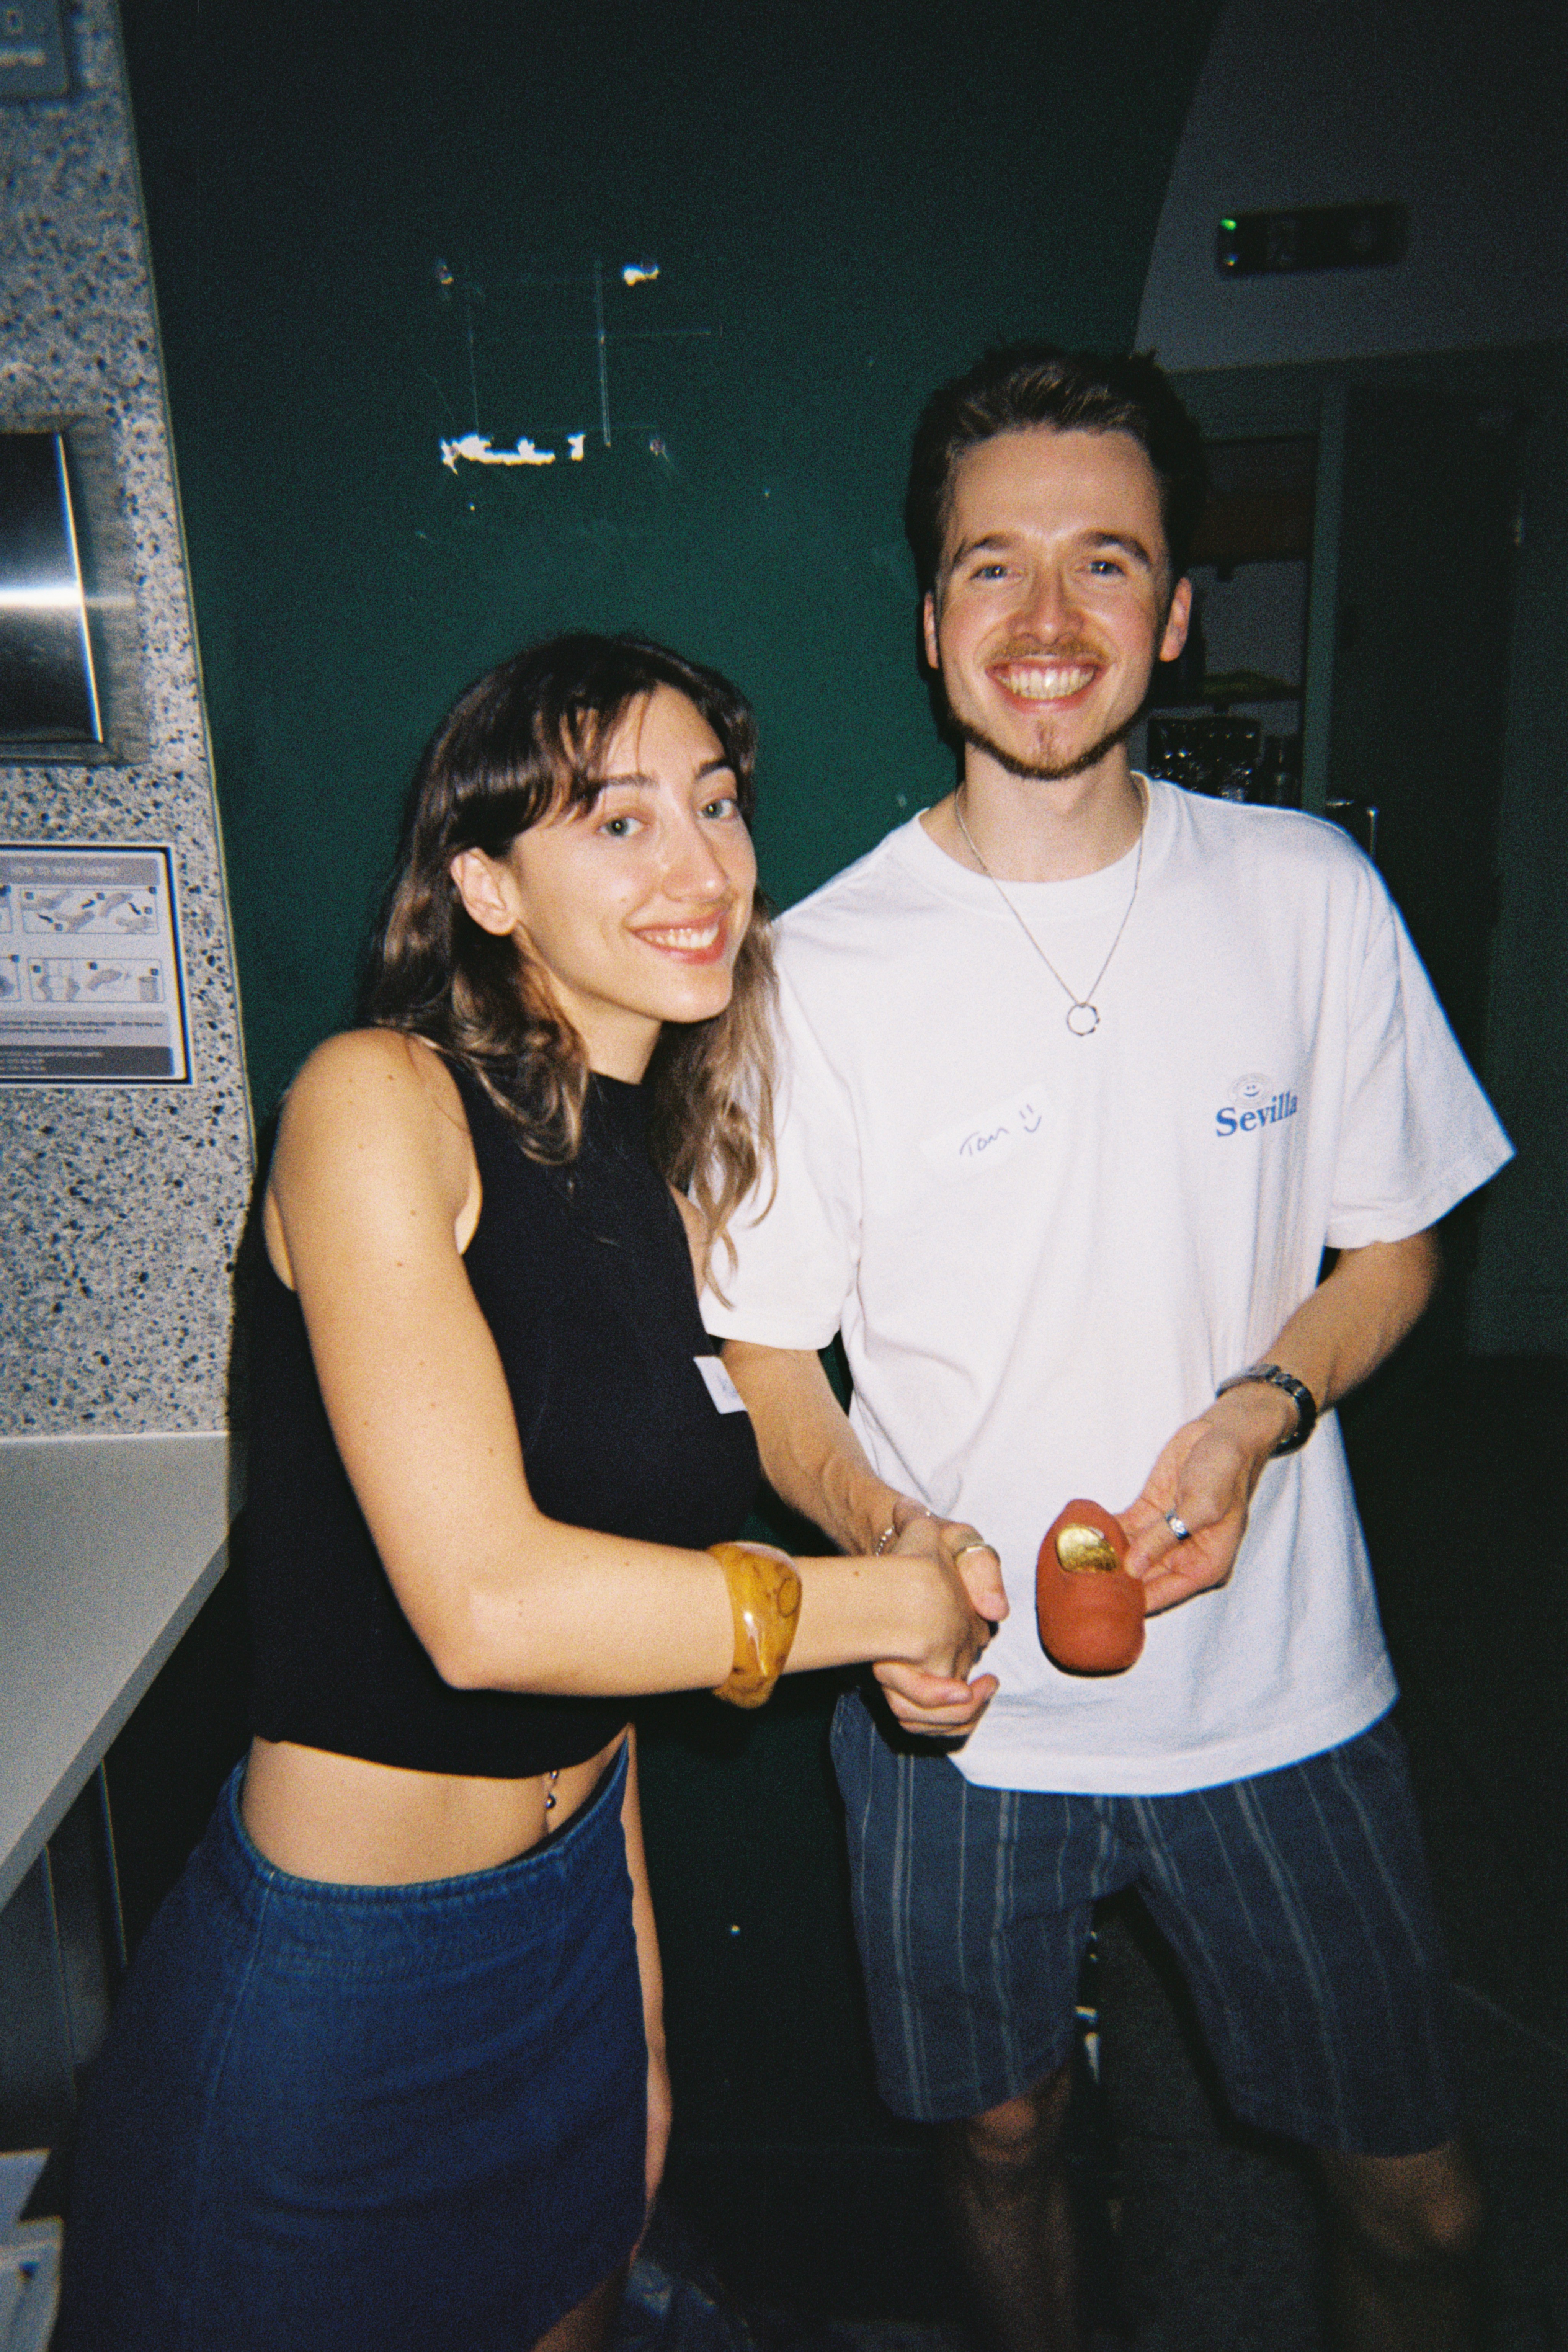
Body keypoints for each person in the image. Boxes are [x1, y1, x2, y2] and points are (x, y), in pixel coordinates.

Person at [54, 634, 1000, 2352]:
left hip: (563, 1933)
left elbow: (610, 1648)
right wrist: (891, 1605)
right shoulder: (377, 1102)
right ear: (485, 886)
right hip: (343, 1979)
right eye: (619, 822)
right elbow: (491, 1610)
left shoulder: (654, 1178)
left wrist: (634, 2020)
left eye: (717, 805)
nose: (702, 867)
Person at [705, 349, 1513, 2352]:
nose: (1047, 618)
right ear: (929, 622)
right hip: (958, 1711)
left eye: (1106, 562)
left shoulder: (1308, 896)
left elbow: (1396, 1239)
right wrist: (887, 1545)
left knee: (1419, 2208)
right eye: (993, 565)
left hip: (1280, 1685)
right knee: (1000, 2143)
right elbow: (775, 1368)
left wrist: (1260, 1411)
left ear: (1174, 614)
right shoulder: (808, 973)